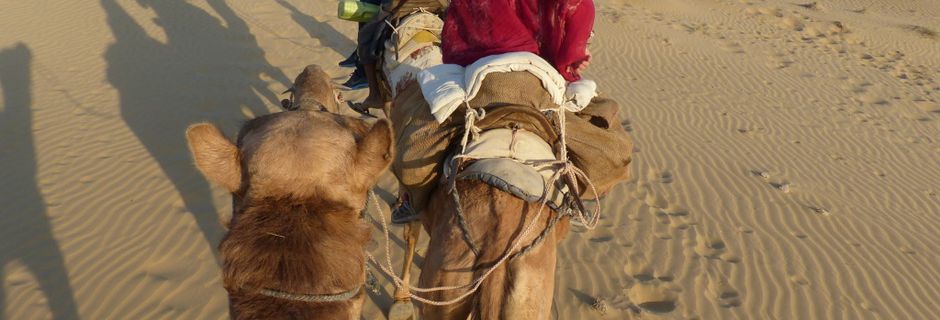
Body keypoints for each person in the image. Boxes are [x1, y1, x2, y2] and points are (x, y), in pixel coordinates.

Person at [388, 0, 633, 223]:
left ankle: (414, 201)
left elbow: (455, 33)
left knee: (411, 132)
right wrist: (574, 63)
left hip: (477, 75)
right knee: (612, 147)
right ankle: (576, 198)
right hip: (535, 80)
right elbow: (572, 43)